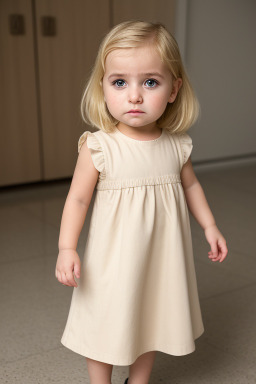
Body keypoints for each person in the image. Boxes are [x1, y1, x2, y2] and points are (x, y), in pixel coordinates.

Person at [55, 20, 228, 384]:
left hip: (160, 257)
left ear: (173, 89)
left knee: (150, 317)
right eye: (120, 82)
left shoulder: (176, 145)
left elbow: (192, 187)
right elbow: (78, 199)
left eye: (150, 82)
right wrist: (66, 246)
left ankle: (139, 380)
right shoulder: (100, 146)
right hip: (112, 261)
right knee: (105, 320)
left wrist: (210, 226)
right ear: (103, 87)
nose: (134, 96)